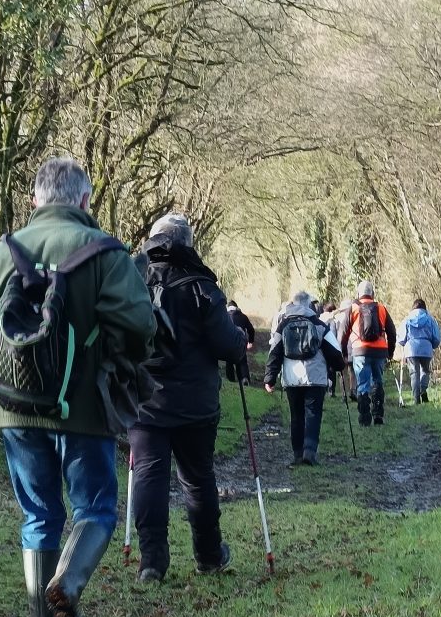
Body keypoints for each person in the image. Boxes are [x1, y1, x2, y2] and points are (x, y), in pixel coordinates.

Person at [0, 157, 156, 617]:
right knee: (96, 507)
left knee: (38, 515)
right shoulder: (106, 253)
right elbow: (139, 324)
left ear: (35, 200)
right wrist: (120, 361)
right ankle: (66, 582)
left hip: (14, 409)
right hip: (82, 408)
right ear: (85, 200)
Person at [129, 213, 246, 582]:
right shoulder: (201, 285)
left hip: (145, 401)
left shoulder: (132, 279)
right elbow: (228, 346)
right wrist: (241, 338)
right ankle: (209, 555)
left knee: (148, 475)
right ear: (189, 243)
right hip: (196, 404)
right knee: (197, 478)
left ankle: (152, 561)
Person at [264, 291, 344, 466]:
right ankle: (310, 452)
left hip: (292, 379)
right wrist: (339, 366)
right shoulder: (319, 325)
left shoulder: (283, 325)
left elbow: (274, 352)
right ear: (309, 305)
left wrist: (270, 378)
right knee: (313, 414)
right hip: (315, 378)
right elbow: (335, 353)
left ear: (293, 304)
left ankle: (297, 455)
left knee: (296, 416)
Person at [336, 281, 397, 426]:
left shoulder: (353, 308)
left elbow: (342, 334)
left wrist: (343, 353)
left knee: (363, 384)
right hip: (380, 351)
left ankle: (364, 418)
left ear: (358, 294)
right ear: (372, 293)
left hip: (360, 351)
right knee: (378, 382)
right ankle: (378, 414)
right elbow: (392, 332)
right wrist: (390, 352)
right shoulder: (381, 308)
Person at [397, 298, 441, 404]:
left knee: (414, 373)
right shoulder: (430, 319)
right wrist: (433, 345)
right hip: (426, 348)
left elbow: (401, 337)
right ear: (424, 308)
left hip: (411, 349)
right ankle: (423, 389)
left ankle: (416, 399)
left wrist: (403, 343)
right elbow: (436, 337)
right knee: (425, 371)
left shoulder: (407, 319)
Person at [225, 300, 255, 384]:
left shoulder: (225, 316)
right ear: (237, 307)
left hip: (228, 341)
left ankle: (231, 379)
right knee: (242, 361)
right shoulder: (243, 316)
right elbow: (251, 330)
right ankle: (244, 377)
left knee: (229, 361)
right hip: (241, 341)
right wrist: (250, 341)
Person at [319, 302, 337, 396]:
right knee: (332, 369)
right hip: (332, 345)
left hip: (322, 346)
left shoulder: (320, 319)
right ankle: (332, 390)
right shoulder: (334, 320)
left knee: (323, 367)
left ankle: (324, 387)